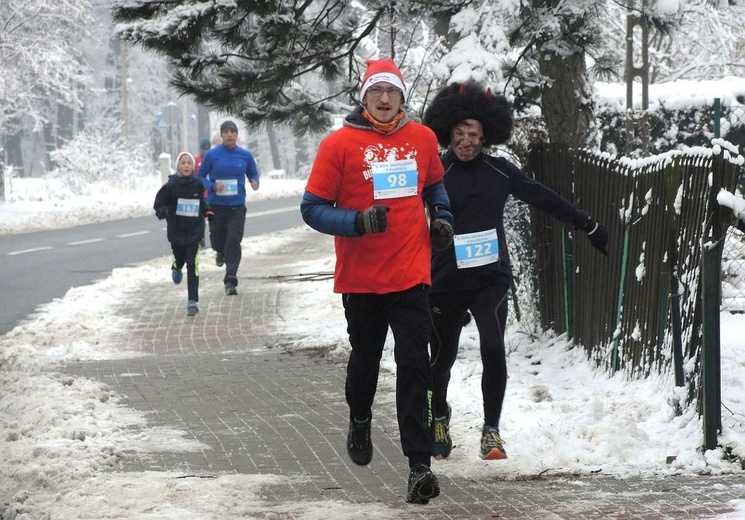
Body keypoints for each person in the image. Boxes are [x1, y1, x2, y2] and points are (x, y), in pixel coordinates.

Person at [422, 80, 609, 461]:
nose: (466, 141)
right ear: (448, 134)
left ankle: (491, 430)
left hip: (490, 277)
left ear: (485, 135)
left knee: (493, 346)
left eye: (473, 134)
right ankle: (439, 416)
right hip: (445, 277)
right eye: (459, 133)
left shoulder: (499, 170)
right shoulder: (435, 171)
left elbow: (542, 196)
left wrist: (586, 224)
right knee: (442, 355)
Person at [300, 58, 455, 505]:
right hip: (362, 279)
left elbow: (435, 188)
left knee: (415, 365)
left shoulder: (422, 139)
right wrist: (356, 222)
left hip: (410, 275)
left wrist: (442, 218)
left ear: (402, 98)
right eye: (376, 92)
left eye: (392, 92)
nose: (384, 100)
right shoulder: (339, 145)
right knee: (365, 361)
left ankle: (419, 465)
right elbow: (311, 208)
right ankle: (361, 416)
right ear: (363, 98)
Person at [197, 120, 260, 295]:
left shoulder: (245, 155)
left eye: (233, 131)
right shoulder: (212, 155)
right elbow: (200, 176)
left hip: (237, 206)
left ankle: (230, 279)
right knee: (218, 239)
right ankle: (219, 251)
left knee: (233, 241)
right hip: (217, 206)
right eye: (226, 131)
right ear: (221, 135)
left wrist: (255, 181)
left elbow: (253, 173)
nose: (230, 134)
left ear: (236, 134)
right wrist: (211, 186)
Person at [153, 151, 213, 317]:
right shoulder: (170, 186)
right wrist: (166, 210)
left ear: (193, 166)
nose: (186, 165)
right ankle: (176, 265)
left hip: (195, 231)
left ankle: (192, 301)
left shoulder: (197, 184)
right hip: (177, 231)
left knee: (193, 263)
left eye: (189, 163)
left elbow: (201, 201)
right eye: (183, 163)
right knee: (181, 259)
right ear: (178, 166)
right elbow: (158, 205)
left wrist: (207, 210)